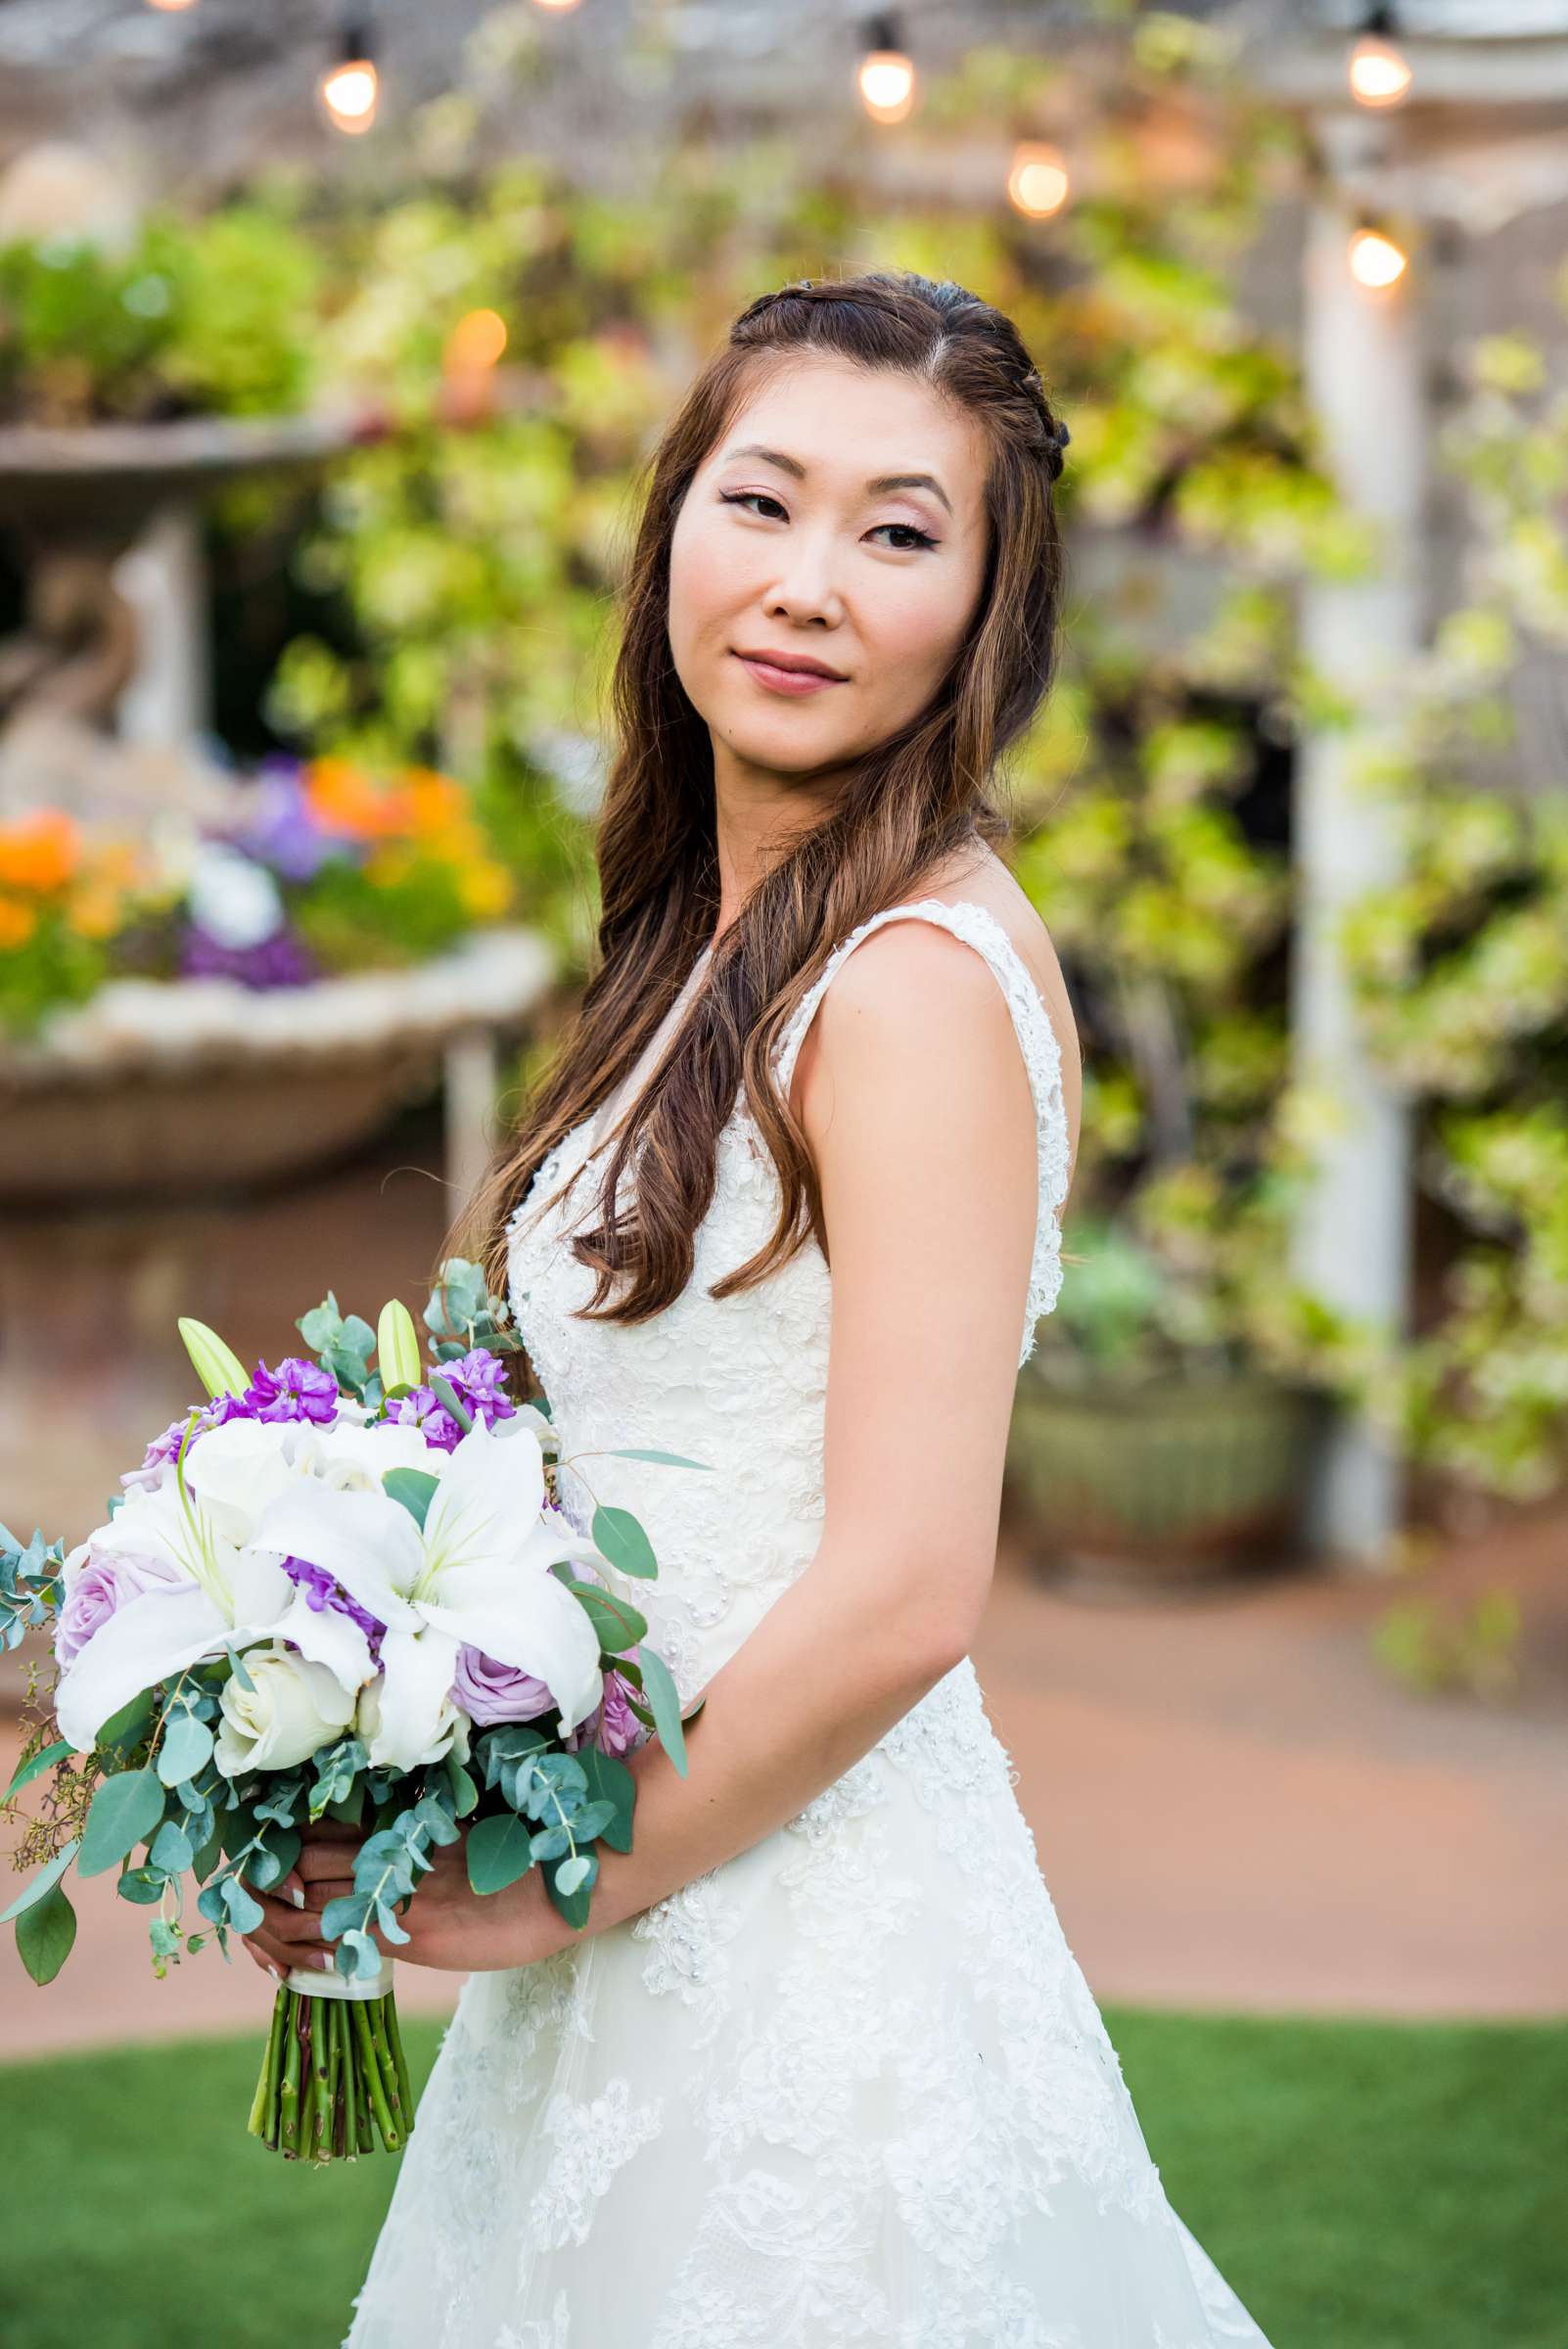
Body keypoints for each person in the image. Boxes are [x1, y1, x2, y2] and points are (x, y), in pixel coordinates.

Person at [243, 268, 1274, 2348]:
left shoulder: (901, 990)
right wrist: (354, 1718)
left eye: (900, 533)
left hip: (800, 1942)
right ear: (672, 530)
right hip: (647, 1884)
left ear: (986, 607)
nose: (810, 584)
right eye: (764, 502)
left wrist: (560, 1886)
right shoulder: (722, 943)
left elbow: (904, 1584)